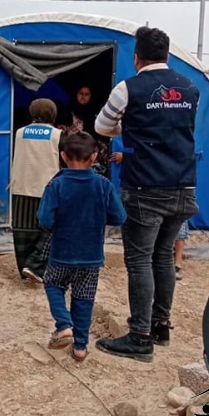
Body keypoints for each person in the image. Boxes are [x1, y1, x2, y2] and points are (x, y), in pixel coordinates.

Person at [94, 25, 199, 362]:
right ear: (167, 55)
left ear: (136, 58)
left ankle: (140, 338)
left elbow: (101, 127)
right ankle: (161, 326)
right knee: (164, 255)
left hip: (145, 187)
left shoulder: (128, 88)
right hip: (183, 186)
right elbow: (178, 127)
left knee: (139, 260)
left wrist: (131, 126)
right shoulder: (190, 88)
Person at [38, 132, 126, 361]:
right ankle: (80, 346)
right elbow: (119, 217)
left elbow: (44, 220)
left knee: (53, 284)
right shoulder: (104, 185)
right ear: (94, 156)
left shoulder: (56, 185)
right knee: (84, 298)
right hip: (91, 256)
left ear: (63, 156)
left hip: (61, 253)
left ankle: (64, 325)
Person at [9, 99, 64, 282]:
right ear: (52, 113)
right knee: (49, 229)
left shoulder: (19, 132)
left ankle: (23, 268)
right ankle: (34, 266)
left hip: (21, 186)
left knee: (23, 230)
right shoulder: (57, 135)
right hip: (46, 188)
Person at [113, 149, 185, 281]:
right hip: (177, 192)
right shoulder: (180, 135)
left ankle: (177, 263)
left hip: (150, 194)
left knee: (141, 258)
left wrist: (126, 157)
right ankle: (175, 266)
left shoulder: (151, 136)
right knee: (164, 252)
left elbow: (149, 156)